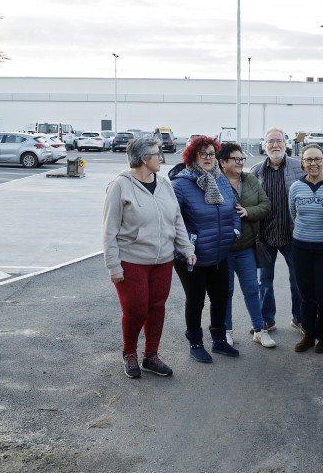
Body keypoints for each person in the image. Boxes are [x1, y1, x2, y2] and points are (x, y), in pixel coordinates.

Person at [102, 136, 196, 379]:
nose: (161, 158)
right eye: (157, 154)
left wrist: (187, 249)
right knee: (136, 310)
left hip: (163, 260)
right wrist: (114, 266)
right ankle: (129, 353)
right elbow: (109, 230)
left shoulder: (164, 184)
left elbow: (177, 219)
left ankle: (151, 355)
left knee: (157, 307)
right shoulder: (119, 186)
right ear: (144, 158)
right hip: (131, 261)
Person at [170, 135, 242, 362]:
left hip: (220, 253)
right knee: (196, 301)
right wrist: (187, 244)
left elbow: (234, 209)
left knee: (221, 298)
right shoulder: (181, 184)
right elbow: (172, 219)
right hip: (192, 257)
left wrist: (235, 231)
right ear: (192, 156)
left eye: (212, 153)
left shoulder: (221, 180)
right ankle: (196, 343)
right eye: (204, 154)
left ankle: (219, 341)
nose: (209, 158)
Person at [218, 142, 276, 349]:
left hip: (246, 247)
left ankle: (259, 331)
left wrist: (247, 212)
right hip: (223, 250)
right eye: (236, 159)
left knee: (252, 289)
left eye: (242, 159)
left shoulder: (250, 179)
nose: (241, 163)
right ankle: (226, 331)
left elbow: (266, 205)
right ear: (223, 162)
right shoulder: (215, 182)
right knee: (226, 292)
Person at [251, 127, 306, 333]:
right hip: (265, 236)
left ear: (286, 144)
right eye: (271, 141)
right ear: (264, 145)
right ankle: (267, 319)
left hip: (292, 235)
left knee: (297, 280)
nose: (275, 145)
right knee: (264, 281)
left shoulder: (298, 167)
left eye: (279, 141)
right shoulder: (256, 171)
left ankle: (299, 318)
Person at [289, 144, 323, 353]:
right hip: (301, 246)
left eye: (317, 159)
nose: (313, 164)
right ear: (303, 162)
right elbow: (294, 214)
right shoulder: (295, 187)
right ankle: (309, 334)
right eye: (309, 160)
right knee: (306, 293)